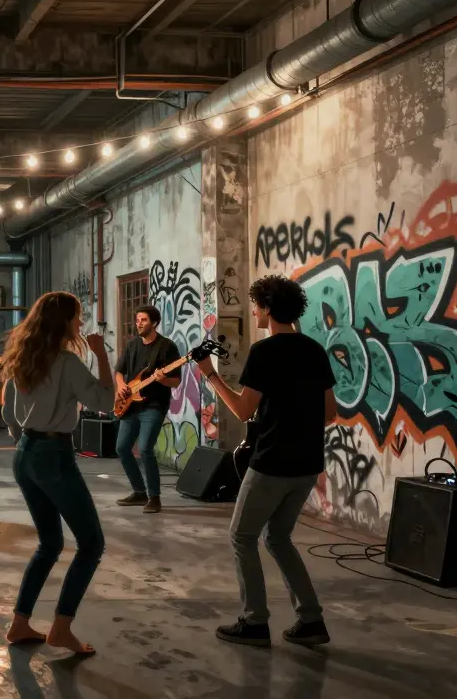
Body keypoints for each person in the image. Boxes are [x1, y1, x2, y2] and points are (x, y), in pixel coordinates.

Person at [197, 275, 334, 648]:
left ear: (268, 308)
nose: (254, 310)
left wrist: (210, 375)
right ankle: (311, 620)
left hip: (272, 462)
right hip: (307, 463)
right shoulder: (314, 350)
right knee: (278, 538)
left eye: (256, 304)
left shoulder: (265, 352)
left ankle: (254, 621)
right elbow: (330, 412)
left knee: (242, 536)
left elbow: (242, 410)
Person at [0, 291, 113, 656]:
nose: (81, 324)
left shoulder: (23, 357)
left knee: (49, 544)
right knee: (91, 544)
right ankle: (61, 628)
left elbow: (10, 415)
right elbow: (105, 403)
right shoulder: (66, 362)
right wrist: (102, 355)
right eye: (78, 317)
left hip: (25, 455)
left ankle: (19, 624)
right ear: (64, 321)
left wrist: (28, 443)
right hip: (54, 456)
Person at [112, 305, 182, 514]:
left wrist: (163, 379)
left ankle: (154, 497)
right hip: (131, 405)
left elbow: (175, 382)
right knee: (122, 448)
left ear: (154, 323)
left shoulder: (167, 347)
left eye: (143, 320)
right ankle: (139, 491)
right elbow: (118, 371)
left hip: (153, 406)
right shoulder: (133, 345)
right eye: (137, 320)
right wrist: (121, 385)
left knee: (144, 449)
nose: (138, 323)